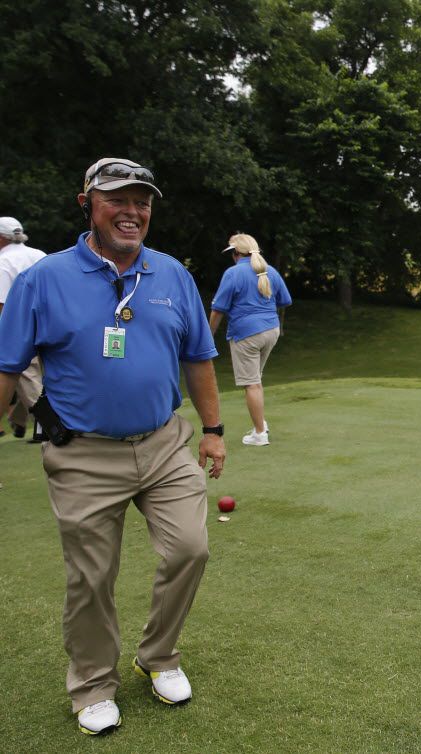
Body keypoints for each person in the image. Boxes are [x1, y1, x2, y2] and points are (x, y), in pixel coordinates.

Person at [0, 157, 226, 735]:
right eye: (117, 200)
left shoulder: (172, 274)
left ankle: (158, 656)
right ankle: (94, 685)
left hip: (163, 445)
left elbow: (198, 358)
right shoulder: (42, 279)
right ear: (88, 206)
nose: (132, 212)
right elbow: (7, 370)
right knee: (92, 576)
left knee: (190, 549)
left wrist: (215, 430)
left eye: (141, 202)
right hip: (82, 455)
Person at [209, 233, 292, 446]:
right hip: (271, 330)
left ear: (236, 253)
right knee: (256, 379)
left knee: (252, 384)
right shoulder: (269, 270)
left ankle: (259, 433)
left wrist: (208, 337)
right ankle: (260, 422)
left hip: (246, 334)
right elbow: (285, 300)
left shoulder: (233, 273)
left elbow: (218, 309)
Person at [0, 216, 46, 441]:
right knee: (34, 379)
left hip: (20, 331)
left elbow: (2, 305)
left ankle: (49, 424)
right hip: (51, 325)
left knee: (24, 377)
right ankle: (18, 422)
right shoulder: (40, 255)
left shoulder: (3, 261)